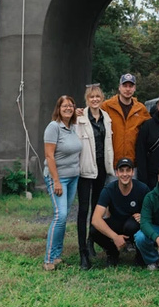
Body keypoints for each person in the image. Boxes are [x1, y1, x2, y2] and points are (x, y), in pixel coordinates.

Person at [75, 84, 115, 270]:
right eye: (91, 97)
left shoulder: (106, 118)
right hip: (85, 168)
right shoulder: (79, 118)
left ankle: (92, 240)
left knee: (97, 209)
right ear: (87, 99)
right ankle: (82, 252)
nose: (95, 100)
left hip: (101, 167)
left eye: (98, 96)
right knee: (83, 210)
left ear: (102, 98)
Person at [42, 95, 82, 271]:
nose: (68, 108)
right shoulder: (53, 127)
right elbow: (49, 156)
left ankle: (57, 255)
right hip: (58, 178)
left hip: (73, 177)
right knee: (61, 216)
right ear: (58, 108)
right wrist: (56, 181)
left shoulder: (72, 127)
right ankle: (49, 259)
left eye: (71, 106)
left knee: (63, 218)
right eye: (65, 106)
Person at [90, 157, 150, 267]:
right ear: (116, 173)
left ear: (132, 172)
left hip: (133, 225)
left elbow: (153, 213)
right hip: (116, 223)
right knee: (94, 231)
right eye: (121, 171)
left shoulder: (142, 189)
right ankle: (112, 252)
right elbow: (95, 219)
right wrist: (114, 237)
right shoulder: (108, 189)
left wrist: (144, 216)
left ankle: (140, 254)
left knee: (132, 226)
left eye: (128, 170)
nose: (125, 174)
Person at [101, 73, 150, 173]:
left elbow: (152, 127)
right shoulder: (106, 106)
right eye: (125, 86)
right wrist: (78, 113)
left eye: (130, 86)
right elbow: (91, 116)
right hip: (112, 165)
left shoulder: (141, 109)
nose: (128, 89)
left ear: (134, 88)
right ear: (119, 87)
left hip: (133, 165)